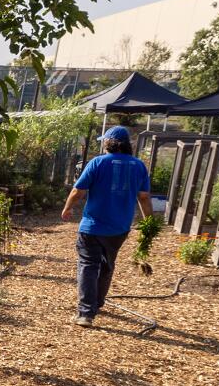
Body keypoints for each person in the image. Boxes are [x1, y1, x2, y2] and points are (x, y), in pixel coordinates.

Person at [60, 125, 155, 326]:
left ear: (109, 142)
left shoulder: (97, 163)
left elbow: (78, 191)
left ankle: (86, 312)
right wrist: (149, 222)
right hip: (119, 228)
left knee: (88, 264)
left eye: (104, 140)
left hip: (92, 226)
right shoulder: (138, 166)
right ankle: (97, 302)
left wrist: (68, 208)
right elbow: (144, 197)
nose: (103, 143)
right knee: (106, 265)